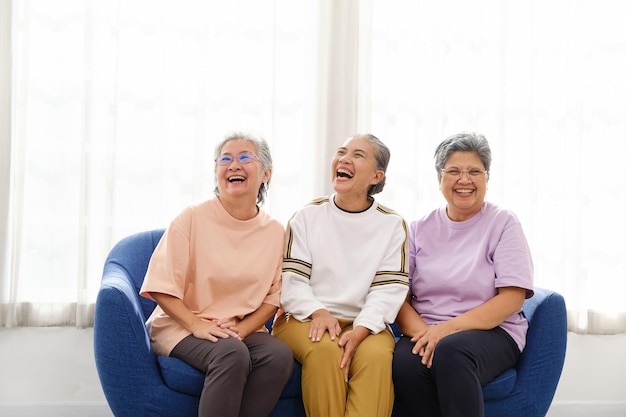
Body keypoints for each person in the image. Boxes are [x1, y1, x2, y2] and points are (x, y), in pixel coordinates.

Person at [139, 132, 293, 417]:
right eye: (225, 159)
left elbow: (274, 297)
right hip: (183, 325)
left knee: (278, 355)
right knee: (231, 353)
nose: (233, 165)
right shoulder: (192, 218)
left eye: (245, 157)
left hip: (238, 327)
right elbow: (159, 286)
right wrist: (196, 324)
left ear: (266, 174)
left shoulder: (275, 232)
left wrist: (243, 330)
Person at [392, 131, 534, 417]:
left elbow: (512, 298)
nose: (464, 179)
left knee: (452, 352)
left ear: (487, 178)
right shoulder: (418, 229)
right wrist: (427, 336)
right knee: (404, 364)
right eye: (454, 171)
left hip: (492, 331)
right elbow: (398, 298)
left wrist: (444, 332)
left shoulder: (504, 223)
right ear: (439, 179)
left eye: (474, 171)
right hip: (428, 329)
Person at [272, 133, 409, 417]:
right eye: (341, 152)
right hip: (304, 318)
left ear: (376, 175)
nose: (345, 159)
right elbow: (292, 282)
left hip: (366, 323)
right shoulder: (306, 216)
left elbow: (388, 290)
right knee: (324, 350)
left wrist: (360, 331)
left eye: (358, 155)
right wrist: (319, 312)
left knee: (376, 356)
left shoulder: (392, 224)